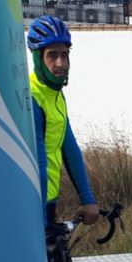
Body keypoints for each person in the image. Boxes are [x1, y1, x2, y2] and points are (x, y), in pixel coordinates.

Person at [26, 15, 99, 231]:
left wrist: (88, 199)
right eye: (52, 56)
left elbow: (70, 148)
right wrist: (40, 221)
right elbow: (38, 161)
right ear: (38, 58)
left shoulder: (55, 95)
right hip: (33, 206)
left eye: (65, 55)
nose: (60, 63)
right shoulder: (32, 96)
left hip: (49, 201)